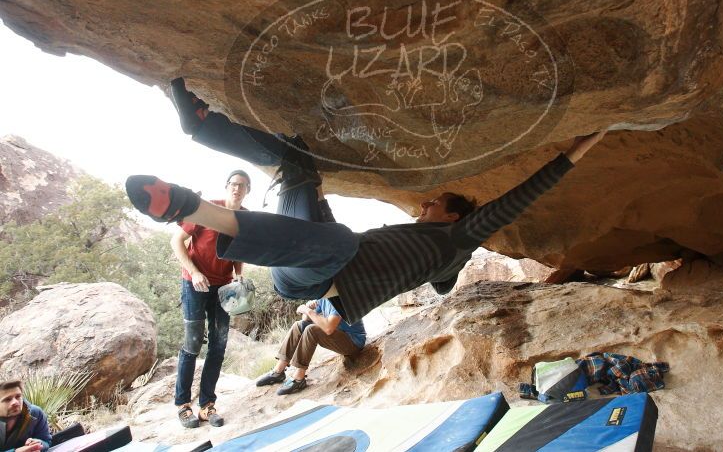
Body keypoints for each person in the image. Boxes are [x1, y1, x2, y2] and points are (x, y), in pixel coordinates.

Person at [126, 78, 605, 326]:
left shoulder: (460, 236)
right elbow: (440, 287)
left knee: (340, 242)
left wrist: (574, 153)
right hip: (305, 254)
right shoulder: (443, 265)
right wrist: (317, 199)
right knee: (299, 163)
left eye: (434, 203)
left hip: (315, 275)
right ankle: (203, 126)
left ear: (457, 216)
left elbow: (517, 199)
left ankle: (191, 209)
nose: (423, 206)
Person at [170, 169, 250, 429]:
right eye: (233, 184)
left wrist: (239, 275)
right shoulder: (208, 210)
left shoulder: (245, 219)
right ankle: (183, 405)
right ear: (227, 187)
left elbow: (239, 251)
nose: (237, 189)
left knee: (218, 346)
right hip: (195, 284)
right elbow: (176, 241)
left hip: (223, 289)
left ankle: (206, 406)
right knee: (192, 344)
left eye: (243, 185)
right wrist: (194, 273)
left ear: (247, 191)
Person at [255, 298, 367, 395]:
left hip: (353, 343)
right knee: (299, 325)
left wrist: (308, 310)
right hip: (339, 336)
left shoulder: (339, 299)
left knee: (312, 330)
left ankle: (299, 379)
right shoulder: (323, 297)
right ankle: (278, 371)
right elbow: (305, 321)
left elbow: (328, 328)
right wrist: (308, 308)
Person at [0, 380, 51, 452]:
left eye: (18, 396)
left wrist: (38, 443)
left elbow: (46, 441)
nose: (15, 402)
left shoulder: (36, 413)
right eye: (7, 399)